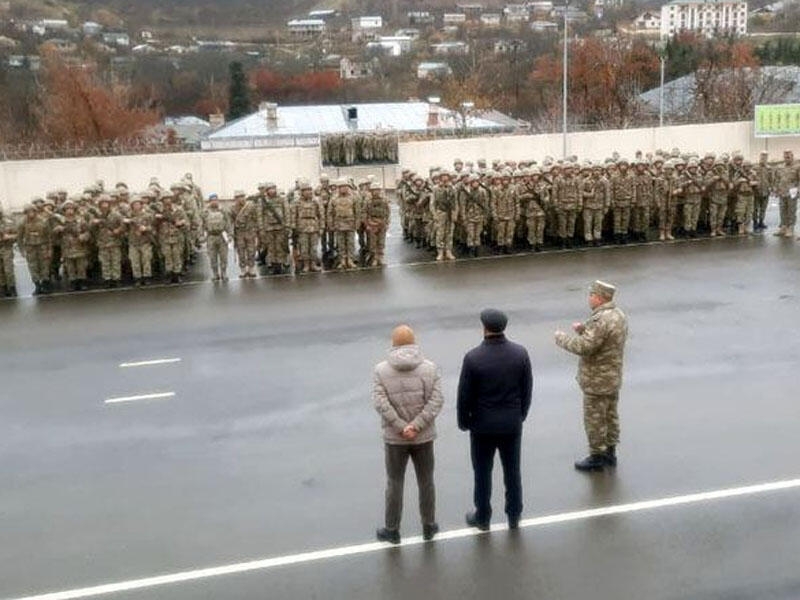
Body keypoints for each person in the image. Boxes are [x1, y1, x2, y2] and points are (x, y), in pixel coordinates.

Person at [457, 309, 533, 531]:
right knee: (512, 471)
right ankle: (514, 515)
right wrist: (521, 415)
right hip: (511, 423)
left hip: (482, 426)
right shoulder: (520, 354)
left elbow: (464, 396)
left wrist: (464, 422)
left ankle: (482, 516)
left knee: (482, 473)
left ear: (485, 328)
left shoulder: (473, 358)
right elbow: (526, 389)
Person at [372, 325, 444, 545]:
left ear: (393, 343)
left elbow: (380, 402)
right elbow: (436, 400)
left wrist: (402, 426)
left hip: (395, 439)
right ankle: (429, 526)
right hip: (423, 437)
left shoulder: (381, 370)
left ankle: (392, 529)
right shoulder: (429, 368)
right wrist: (417, 425)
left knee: (394, 482)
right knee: (426, 481)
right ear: (414, 342)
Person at [554, 280, 628, 472]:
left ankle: (597, 457)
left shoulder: (600, 320)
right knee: (610, 415)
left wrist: (561, 338)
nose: (589, 298)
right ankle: (610, 453)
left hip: (597, 380)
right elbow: (605, 340)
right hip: (612, 377)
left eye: (591, 295)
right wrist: (584, 330)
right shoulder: (618, 315)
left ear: (599, 297)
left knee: (595, 419)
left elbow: (585, 347)